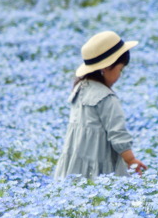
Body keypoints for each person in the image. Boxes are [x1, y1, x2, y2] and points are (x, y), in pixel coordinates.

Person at [54, 31, 148, 179]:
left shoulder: (80, 87)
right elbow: (117, 133)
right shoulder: (107, 98)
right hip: (98, 165)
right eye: (120, 69)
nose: (120, 75)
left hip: (75, 160)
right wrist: (130, 159)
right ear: (106, 67)